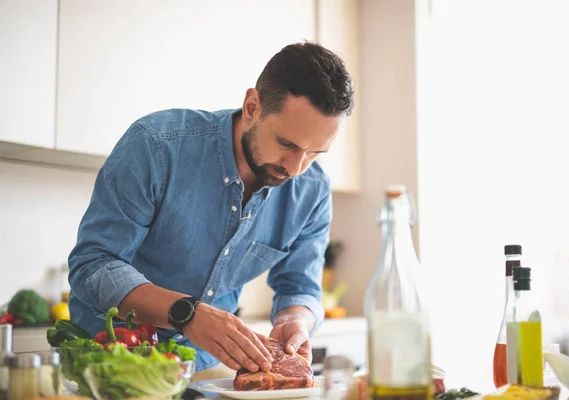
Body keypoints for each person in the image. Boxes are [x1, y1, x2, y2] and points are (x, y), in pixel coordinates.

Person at [67, 41, 355, 380]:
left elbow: (300, 286)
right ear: (252, 107)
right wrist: (186, 313)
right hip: (108, 358)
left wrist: (295, 320)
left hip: (202, 367)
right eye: (287, 144)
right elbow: (93, 266)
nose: (295, 167)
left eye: (314, 153)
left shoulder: (313, 191)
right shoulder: (157, 146)